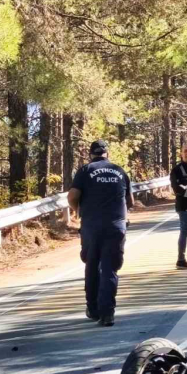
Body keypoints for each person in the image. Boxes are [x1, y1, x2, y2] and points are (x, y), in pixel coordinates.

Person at [67, 140, 134, 327]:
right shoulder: (120, 171)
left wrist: (79, 209)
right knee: (110, 268)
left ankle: (93, 308)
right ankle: (108, 313)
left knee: (92, 265)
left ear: (91, 154)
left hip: (92, 226)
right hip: (116, 225)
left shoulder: (85, 170)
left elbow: (72, 196)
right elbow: (130, 201)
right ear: (107, 153)